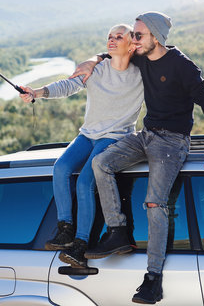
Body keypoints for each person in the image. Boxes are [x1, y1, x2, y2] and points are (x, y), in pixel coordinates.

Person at [71, 11, 204, 304]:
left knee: (154, 203)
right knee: (101, 162)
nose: (133, 40)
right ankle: (117, 230)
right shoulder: (141, 56)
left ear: (156, 36)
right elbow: (109, 54)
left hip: (172, 142)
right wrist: (92, 60)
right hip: (146, 135)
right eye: (133, 35)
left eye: (138, 35)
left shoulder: (182, 65)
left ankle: (153, 278)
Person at [19, 24, 144, 268]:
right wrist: (37, 92)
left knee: (86, 181)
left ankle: (81, 242)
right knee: (61, 169)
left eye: (119, 37)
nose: (112, 40)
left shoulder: (141, 74)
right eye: (109, 36)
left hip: (115, 137)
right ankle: (65, 229)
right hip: (88, 135)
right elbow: (68, 85)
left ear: (132, 44)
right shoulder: (97, 69)